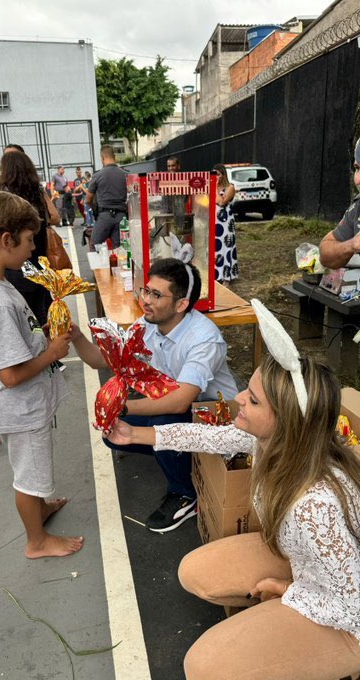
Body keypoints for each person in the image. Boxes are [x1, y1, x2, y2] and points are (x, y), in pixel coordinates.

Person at [108, 299, 360, 680]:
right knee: (195, 571)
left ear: (287, 421)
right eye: (248, 389)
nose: (239, 397)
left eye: (253, 399)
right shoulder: (277, 442)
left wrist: (285, 589)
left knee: (202, 666)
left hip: (348, 620)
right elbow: (212, 436)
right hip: (308, 566)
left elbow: (351, 603)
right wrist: (136, 433)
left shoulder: (316, 505)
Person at [70, 256, 238, 532]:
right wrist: (75, 336)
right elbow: (103, 360)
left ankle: (185, 493)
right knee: (112, 435)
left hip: (215, 415)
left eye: (156, 295)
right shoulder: (148, 322)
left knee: (162, 419)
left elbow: (181, 400)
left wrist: (123, 408)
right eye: (146, 290)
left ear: (181, 304)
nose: (145, 299)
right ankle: (183, 457)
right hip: (177, 405)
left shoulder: (203, 338)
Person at [0, 191, 84, 559]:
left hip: (21, 406)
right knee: (29, 475)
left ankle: (40, 509)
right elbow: (9, 375)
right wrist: (53, 352)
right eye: (28, 241)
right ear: (6, 239)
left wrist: (44, 337)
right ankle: (36, 541)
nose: (33, 249)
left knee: (32, 470)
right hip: (20, 408)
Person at [0, 150, 60, 326]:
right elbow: (55, 216)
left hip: (16, 267)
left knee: (23, 321)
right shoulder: (38, 192)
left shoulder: (4, 198)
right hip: (40, 263)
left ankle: (40, 350)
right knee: (42, 316)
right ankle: (47, 348)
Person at [319, 137, 360, 268]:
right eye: (357, 168)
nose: (357, 180)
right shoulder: (357, 208)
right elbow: (325, 253)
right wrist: (351, 244)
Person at [86, 145, 127, 249]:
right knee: (121, 249)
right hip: (122, 217)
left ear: (102, 158)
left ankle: (100, 265)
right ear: (115, 157)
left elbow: (88, 199)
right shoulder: (125, 175)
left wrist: (95, 209)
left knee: (96, 247)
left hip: (104, 216)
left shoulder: (98, 175)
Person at [213, 163, 238, 285]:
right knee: (216, 248)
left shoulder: (230, 188)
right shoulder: (211, 187)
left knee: (226, 248)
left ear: (223, 175)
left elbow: (221, 202)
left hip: (226, 222)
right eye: (213, 174)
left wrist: (215, 187)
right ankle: (217, 274)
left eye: (217, 174)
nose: (215, 177)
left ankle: (227, 276)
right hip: (214, 222)